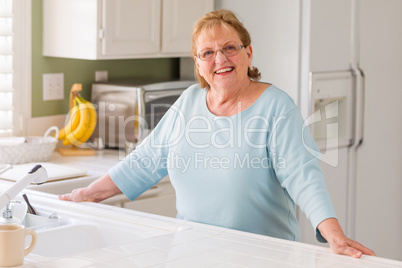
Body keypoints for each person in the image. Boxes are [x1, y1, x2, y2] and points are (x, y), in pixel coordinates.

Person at [59, 9, 375, 258]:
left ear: (248, 54)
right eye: (207, 53)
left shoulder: (276, 108)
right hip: (191, 254)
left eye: (229, 48)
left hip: (261, 258)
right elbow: (145, 159)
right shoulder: (189, 102)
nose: (220, 59)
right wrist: (88, 194)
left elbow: (303, 176)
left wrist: (333, 234)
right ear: (198, 64)